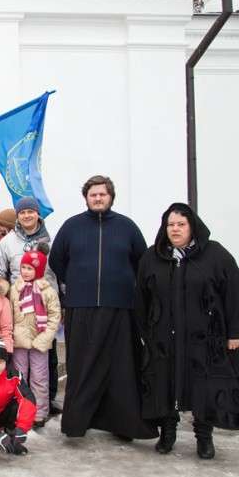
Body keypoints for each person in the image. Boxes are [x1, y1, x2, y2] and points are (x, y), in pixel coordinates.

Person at [135, 202, 239, 459]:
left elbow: (234, 295)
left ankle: (204, 437)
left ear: (192, 226)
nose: (175, 229)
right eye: (170, 224)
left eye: (181, 224)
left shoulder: (215, 255)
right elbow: (141, 298)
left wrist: (236, 333)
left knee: (203, 386)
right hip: (163, 337)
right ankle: (168, 432)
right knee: (164, 383)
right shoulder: (153, 257)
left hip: (205, 338)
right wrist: (145, 333)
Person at [48, 175, 157, 440]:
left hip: (119, 307)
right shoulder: (72, 226)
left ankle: (124, 424)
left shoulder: (126, 227)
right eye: (93, 194)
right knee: (82, 365)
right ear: (86, 197)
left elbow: (141, 261)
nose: (97, 198)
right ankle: (77, 424)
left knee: (121, 368)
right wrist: (76, 284)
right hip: (81, 307)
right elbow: (57, 260)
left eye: (102, 194)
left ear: (111, 197)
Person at [0, 196, 59, 410]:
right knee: (19, 363)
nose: (27, 216)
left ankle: (44, 403)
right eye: (22, 213)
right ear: (18, 216)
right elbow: (0, 273)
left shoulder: (51, 240)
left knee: (46, 361)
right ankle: (21, 406)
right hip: (19, 310)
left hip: (45, 309)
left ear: (37, 213)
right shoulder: (7, 243)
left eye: (30, 211)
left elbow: (60, 273)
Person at [10, 250, 60, 428]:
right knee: (19, 377)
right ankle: (20, 409)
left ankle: (39, 412)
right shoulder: (15, 289)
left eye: (30, 268)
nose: (25, 271)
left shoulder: (47, 291)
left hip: (40, 340)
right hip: (20, 340)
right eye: (23, 267)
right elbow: (10, 313)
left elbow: (55, 316)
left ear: (38, 271)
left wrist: (46, 337)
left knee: (40, 377)